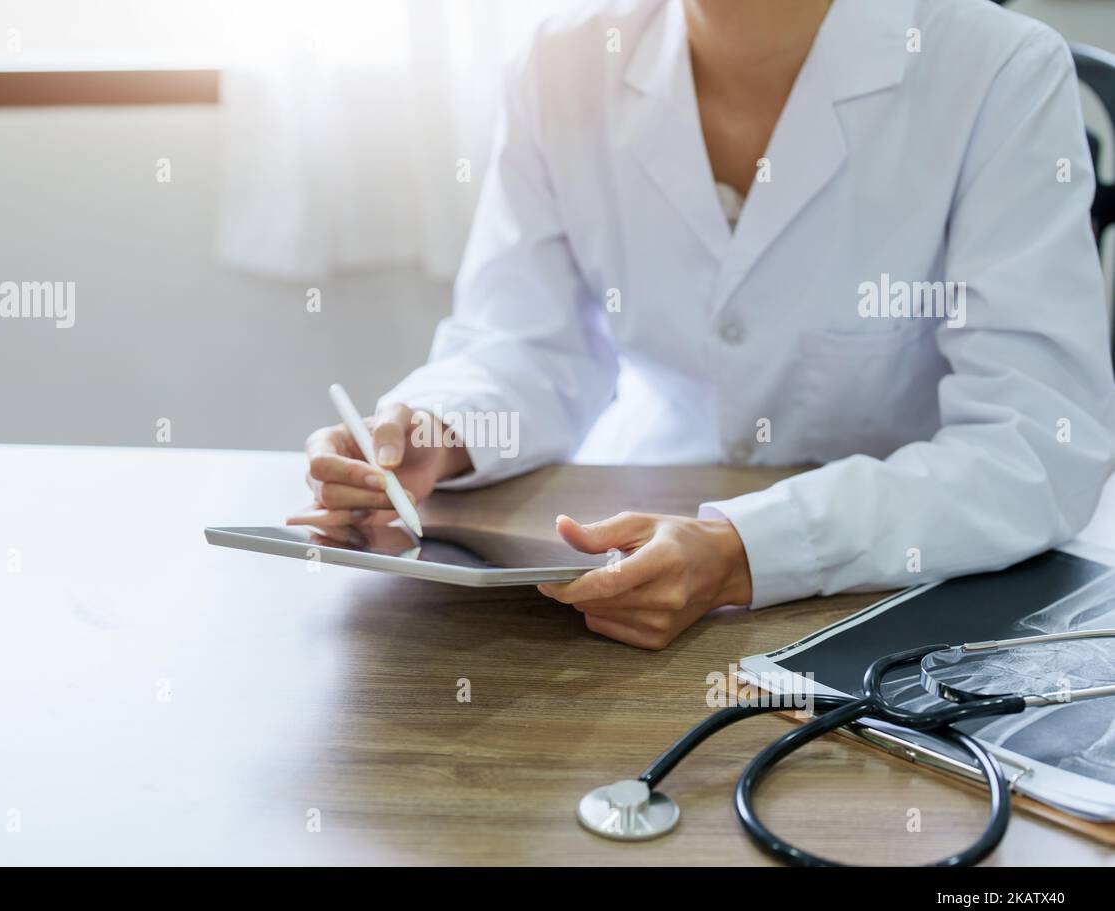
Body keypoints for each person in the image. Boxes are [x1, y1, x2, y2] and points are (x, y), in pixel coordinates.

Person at [291, 0, 1115, 650]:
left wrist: (746, 551)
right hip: (618, 566)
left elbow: (1035, 445)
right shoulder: (561, 60)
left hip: (911, 587)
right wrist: (437, 430)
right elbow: (524, 342)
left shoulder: (1000, 70)